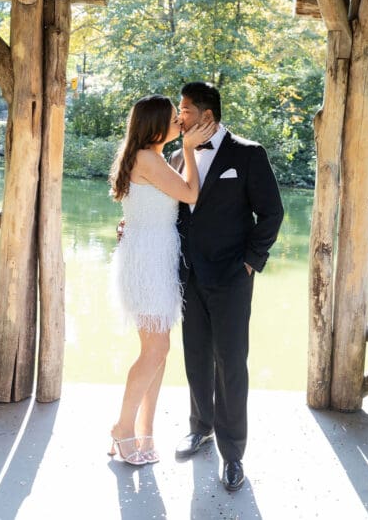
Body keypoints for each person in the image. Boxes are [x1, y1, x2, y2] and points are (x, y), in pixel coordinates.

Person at [169, 82, 284, 491]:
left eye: (183, 109)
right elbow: (175, 212)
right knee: (196, 356)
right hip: (188, 275)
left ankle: (232, 453)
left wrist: (252, 261)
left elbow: (271, 212)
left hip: (232, 277)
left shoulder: (248, 154)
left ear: (206, 116)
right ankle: (199, 427)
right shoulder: (176, 155)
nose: (178, 115)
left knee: (231, 363)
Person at [108, 94, 215, 466]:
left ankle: (144, 432)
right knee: (154, 351)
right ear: (155, 125)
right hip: (149, 261)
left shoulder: (145, 156)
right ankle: (123, 429)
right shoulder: (148, 158)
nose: (179, 123)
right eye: (173, 119)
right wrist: (188, 150)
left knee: (158, 351)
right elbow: (190, 193)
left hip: (154, 256)